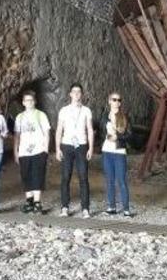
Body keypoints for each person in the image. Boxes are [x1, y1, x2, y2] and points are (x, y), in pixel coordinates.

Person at [55, 83, 94, 218]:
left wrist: (91, 147)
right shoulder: (64, 110)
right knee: (66, 177)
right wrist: (57, 148)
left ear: (81, 94)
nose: (76, 94)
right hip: (66, 145)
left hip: (81, 145)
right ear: (70, 94)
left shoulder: (86, 111)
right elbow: (59, 130)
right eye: (74, 92)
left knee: (83, 177)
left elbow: (89, 129)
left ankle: (85, 209)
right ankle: (65, 207)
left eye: (79, 92)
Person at [14, 90, 51, 214]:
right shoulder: (20, 117)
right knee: (26, 176)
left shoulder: (41, 115)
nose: (29, 102)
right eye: (26, 100)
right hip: (24, 151)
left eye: (31, 100)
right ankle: (29, 202)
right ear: (23, 102)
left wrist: (46, 149)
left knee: (37, 176)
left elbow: (46, 133)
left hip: (38, 150)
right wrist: (16, 151)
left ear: (34, 101)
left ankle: (37, 203)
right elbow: (17, 136)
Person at [100, 92, 132, 216]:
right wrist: (108, 136)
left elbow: (130, 134)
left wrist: (117, 137)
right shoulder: (104, 116)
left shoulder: (124, 117)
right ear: (109, 101)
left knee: (122, 180)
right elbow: (101, 132)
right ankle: (112, 207)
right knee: (109, 180)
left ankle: (126, 209)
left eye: (119, 100)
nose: (117, 102)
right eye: (114, 99)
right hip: (107, 151)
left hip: (119, 152)